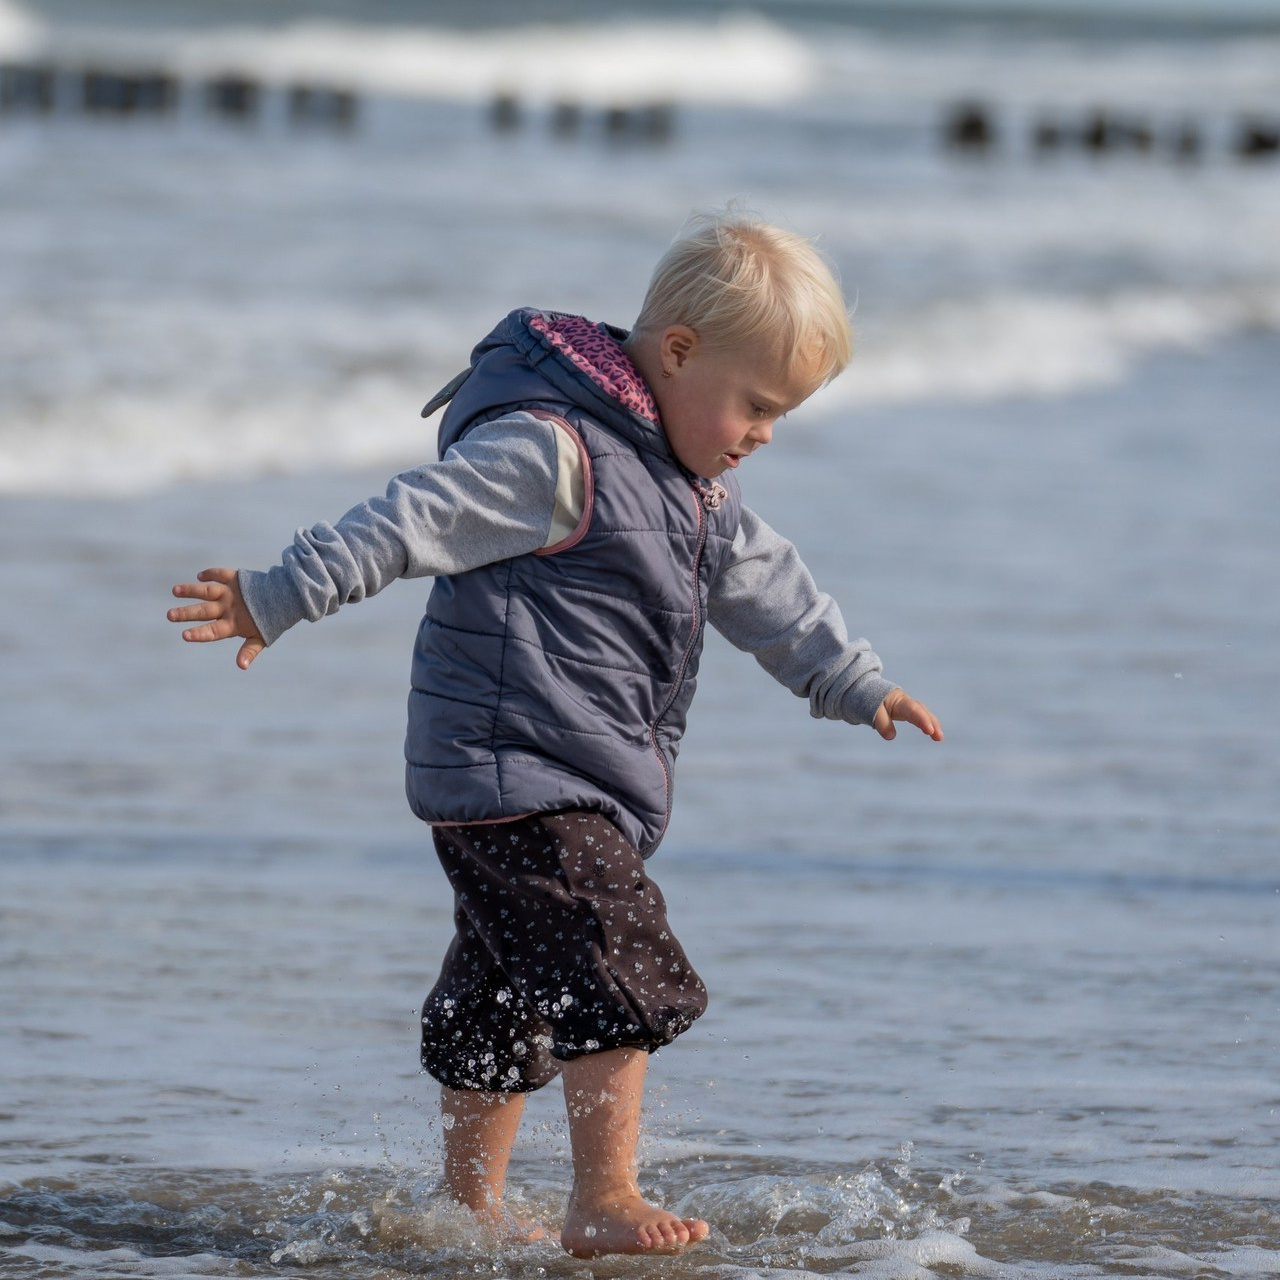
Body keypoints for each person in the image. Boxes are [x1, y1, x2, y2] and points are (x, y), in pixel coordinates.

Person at [167, 211, 943, 1258]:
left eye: (780, 416)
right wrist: (279, 591)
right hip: (517, 770)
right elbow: (407, 519)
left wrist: (854, 680)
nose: (760, 433)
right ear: (676, 352)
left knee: (499, 997)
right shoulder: (551, 452)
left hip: (557, 778)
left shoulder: (695, 494)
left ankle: (465, 1206)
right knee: (615, 961)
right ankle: (604, 1194)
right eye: (754, 404)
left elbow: (772, 593)